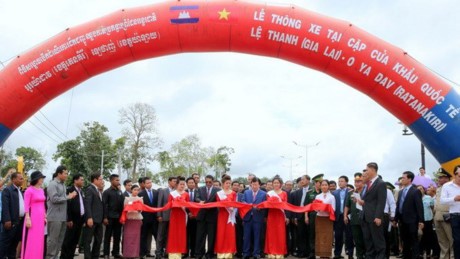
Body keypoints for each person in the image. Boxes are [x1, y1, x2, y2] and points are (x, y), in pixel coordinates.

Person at [357, 162, 387, 259]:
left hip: (375, 217)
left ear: (373, 170)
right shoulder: (368, 184)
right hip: (366, 217)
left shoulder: (381, 183)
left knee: (378, 241)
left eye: (367, 170)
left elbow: (381, 202)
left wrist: (378, 216)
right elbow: (370, 201)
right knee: (368, 241)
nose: (365, 172)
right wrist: (362, 202)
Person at [46, 165, 76, 259]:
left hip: (62, 217)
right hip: (54, 217)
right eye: (65, 173)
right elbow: (54, 199)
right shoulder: (52, 184)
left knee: (60, 240)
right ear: (59, 174)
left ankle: (55, 257)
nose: (67, 175)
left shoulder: (63, 184)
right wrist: (68, 197)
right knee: (53, 240)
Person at [394, 171, 424, 259]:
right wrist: (395, 219)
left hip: (412, 221)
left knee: (413, 241)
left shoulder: (415, 191)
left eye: (403, 178)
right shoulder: (400, 192)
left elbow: (419, 207)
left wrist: (421, 221)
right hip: (402, 221)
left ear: (409, 179)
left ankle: (415, 256)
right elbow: (398, 206)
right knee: (405, 241)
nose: (402, 180)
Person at [21, 171, 46, 259]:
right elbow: (26, 205)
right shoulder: (29, 190)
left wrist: (45, 216)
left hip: (40, 218)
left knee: (39, 240)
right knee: (31, 240)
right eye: (41, 178)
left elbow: (43, 204)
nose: (42, 180)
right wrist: (28, 218)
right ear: (36, 179)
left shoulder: (42, 190)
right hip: (32, 217)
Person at [60, 173, 86, 259]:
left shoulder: (81, 191)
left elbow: (82, 205)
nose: (83, 181)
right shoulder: (69, 190)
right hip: (72, 220)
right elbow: (68, 205)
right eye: (81, 180)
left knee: (75, 240)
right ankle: (64, 257)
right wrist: (69, 219)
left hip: (80, 219)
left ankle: (70, 256)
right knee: (68, 240)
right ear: (75, 180)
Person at [195, 175, 220, 259]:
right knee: (200, 236)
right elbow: (196, 198)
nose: (208, 183)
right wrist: (200, 201)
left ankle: (209, 254)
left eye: (210, 182)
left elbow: (220, 201)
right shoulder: (200, 189)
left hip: (212, 217)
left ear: (213, 182)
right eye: (206, 182)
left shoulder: (218, 190)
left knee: (211, 237)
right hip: (201, 216)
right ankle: (199, 254)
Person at [0, 172, 25, 259]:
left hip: (19, 222)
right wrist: (7, 220)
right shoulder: (8, 190)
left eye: (23, 178)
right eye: (20, 178)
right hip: (11, 222)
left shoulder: (20, 191)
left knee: (14, 245)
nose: (23, 180)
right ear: (14, 179)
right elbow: (5, 206)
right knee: (4, 244)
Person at [242, 177, 267, 259]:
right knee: (246, 236)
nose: (254, 186)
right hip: (247, 218)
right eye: (253, 184)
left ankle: (256, 253)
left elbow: (265, 205)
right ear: (251, 184)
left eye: (256, 184)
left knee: (257, 236)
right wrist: (246, 204)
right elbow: (242, 202)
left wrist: (261, 208)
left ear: (259, 185)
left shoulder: (264, 194)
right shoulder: (246, 192)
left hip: (258, 218)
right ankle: (246, 253)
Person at [166, 176, 190, 259]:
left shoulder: (186, 194)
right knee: (173, 233)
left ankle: (180, 252)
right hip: (174, 215)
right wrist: (175, 203)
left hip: (182, 216)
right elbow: (169, 205)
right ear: (177, 185)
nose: (182, 186)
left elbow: (188, 205)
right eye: (181, 184)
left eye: (183, 184)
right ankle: (172, 253)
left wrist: (183, 206)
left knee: (181, 234)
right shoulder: (172, 194)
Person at [83, 172, 105, 259]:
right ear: (95, 180)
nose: (102, 181)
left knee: (98, 240)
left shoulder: (98, 190)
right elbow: (87, 204)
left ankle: (95, 256)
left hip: (99, 220)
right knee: (87, 240)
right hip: (92, 219)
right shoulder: (90, 189)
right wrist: (89, 217)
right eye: (100, 179)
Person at [265, 176, 288, 258]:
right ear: (272, 184)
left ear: (280, 184)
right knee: (271, 234)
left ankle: (279, 252)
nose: (276, 184)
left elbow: (285, 205)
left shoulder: (284, 193)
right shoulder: (269, 193)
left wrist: (286, 217)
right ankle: (271, 252)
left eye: (277, 183)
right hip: (272, 215)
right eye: (274, 183)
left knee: (280, 234)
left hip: (280, 215)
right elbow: (268, 204)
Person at [102, 174, 124, 259]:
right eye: (116, 180)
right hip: (109, 217)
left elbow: (122, 203)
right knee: (107, 236)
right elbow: (104, 205)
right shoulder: (107, 192)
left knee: (117, 236)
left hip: (118, 217)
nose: (118, 182)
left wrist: (120, 192)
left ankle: (116, 252)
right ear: (111, 181)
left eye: (119, 180)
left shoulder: (119, 191)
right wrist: (105, 217)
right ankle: (106, 253)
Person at [440, 165, 460, 259]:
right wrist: (454, 199)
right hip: (455, 215)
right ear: (454, 175)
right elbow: (442, 200)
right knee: (457, 240)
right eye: (459, 175)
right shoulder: (447, 186)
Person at [215, 175, 237, 258]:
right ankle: (221, 253)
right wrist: (224, 204)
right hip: (222, 215)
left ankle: (229, 253)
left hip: (230, 216)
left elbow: (235, 204)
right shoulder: (218, 194)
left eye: (229, 183)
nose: (228, 185)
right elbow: (218, 205)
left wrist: (231, 207)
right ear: (223, 184)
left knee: (229, 234)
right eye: (226, 183)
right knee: (221, 233)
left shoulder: (233, 193)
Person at [434, 168, 453, 259]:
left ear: (447, 178)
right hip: (438, 216)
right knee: (442, 241)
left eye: (441, 177)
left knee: (452, 239)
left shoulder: (452, 186)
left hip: (448, 216)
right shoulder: (439, 188)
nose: (439, 179)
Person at [332, 175, 353, 259]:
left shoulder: (351, 191)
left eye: (342, 181)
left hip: (348, 217)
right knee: (338, 236)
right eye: (339, 181)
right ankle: (337, 254)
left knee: (349, 236)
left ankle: (350, 254)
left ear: (346, 182)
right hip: (338, 217)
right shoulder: (334, 193)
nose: (340, 182)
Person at [344, 173, 365, 259]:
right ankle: (359, 256)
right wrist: (345, 215)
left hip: (365, 219)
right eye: (356, 181)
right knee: (357, 239)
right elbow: (347, 205)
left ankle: (366, 255)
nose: (357, 183)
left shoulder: (366, 191)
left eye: (359, 181)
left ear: (363, 182)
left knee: (366, 239)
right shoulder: (350, 193)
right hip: (355, 220)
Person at [314, 179, 336, 258]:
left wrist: (326, 208)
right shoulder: (317, 196)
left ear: (328, 186)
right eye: (322, 185)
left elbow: (333, 209)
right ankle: (320, 254)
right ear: (320, 186)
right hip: (319, 218)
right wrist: (318, 208)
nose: (324, 186)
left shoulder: (332, 197)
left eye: (325, 185)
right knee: (319, 235)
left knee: (327, 236)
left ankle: (326, 254)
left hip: (327, 218)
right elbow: (315, 208)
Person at [156, 176, 177, 258]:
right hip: (164, 216)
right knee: (161, 235)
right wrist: (159, 215)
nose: (175, 183)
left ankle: (167, 252)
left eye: (176, 181)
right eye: (174, 181)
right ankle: (158, 253)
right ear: (169, 182)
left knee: (170, 236)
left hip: (174, 217)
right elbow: (159, 203)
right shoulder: (163, 191)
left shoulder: (177, 192)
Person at [290, 175, 311, 258]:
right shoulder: (297, 192)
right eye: (301, 180)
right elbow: (294, 205)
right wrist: (294, 216)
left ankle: (309, 252)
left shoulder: (312, 191)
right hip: (299, 215)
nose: (302, 181)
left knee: (309, 234)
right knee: (300, 234)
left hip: (309, 216)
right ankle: (301, 251)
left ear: (308, 181)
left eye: (303, 179)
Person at [418, 184, 440, 258]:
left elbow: (432, 208)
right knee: (420, 237)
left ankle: (428, 252)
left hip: (428, 220)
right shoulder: (415, 198)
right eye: (418, 189)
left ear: (424, 190)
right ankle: (420, 252)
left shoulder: (428, 198)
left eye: (421, 189)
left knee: (428, 236)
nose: (419, 190)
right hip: (419, 220)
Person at [139, 177, 158, 258]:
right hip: (145, 219)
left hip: (155, 218)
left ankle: (159, 252)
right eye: (147, 183)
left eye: (150, 182)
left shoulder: (156, 192)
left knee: (157, 236)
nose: (149, 184)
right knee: (143, 236)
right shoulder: (140, 193)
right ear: (144, 184)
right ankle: (143, 253)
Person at [122, 184, 143, 259]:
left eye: (138, 190)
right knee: (128, 237)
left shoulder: (140, 199)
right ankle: (127, 254)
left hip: (137, 220)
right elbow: (124, 209)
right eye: (135, 190)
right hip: (129, 220)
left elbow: (141, 210)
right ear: (131, 190)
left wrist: (138, 209)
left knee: (136, 238)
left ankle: (134, 254)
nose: (136, 191)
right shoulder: (127, 199)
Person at [186, 177, 198, 258]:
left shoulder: (199, 192)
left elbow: (200, 203)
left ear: (195, 183)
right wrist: (189, 213)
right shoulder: (184, 192)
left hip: (196, 217)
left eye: (192, 182)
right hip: (186, 217)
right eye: (189, 183)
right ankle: (186, 252)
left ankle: (194, 252)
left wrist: (194, 214)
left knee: (194, 235)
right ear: (187, 184)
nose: (191, 184)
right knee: (186, 236)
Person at [232, 180, 244, 258]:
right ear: (232, 186)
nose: (236, 187)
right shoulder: (229, 194)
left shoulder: (242, 195)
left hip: (239, 217)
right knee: (231, 235)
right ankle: (231, 251)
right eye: (234, 185)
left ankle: (239, 252)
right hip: (230, 217)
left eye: (237, 185)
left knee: (239, 235)